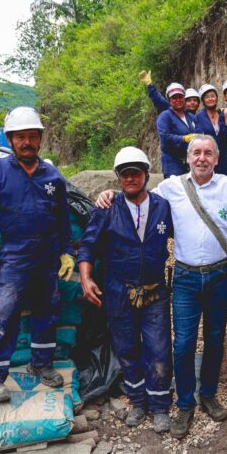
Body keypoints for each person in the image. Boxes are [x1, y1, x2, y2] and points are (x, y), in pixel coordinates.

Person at [94, 135, 227, 440]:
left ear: (216, 159)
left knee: (215, 338)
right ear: (188, 158)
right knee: (183, 343)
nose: (202, 158)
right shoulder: (171, 187)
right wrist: (110, 193)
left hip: (220, 275)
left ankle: (208, 394)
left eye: (208, 153)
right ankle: (185, 403)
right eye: (196, 153)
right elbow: (136, 194)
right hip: (185, 277)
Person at [0, 106, 75, 401]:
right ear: (10, 139)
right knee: (4, 314)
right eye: (20, 137)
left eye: (32, 136)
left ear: (40, 138)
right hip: (15, 256)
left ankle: (41, 364)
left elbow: (63, 221)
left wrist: (67, 252)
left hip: (47, 256)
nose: (27, 142)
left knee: (48, 311)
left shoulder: (52, 175)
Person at [77, 147, 174, 433]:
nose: (130, 179)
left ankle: (159, 406)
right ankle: (138, 402)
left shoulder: (162, 206)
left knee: (158, 348)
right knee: (127, 348)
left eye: (136, 173)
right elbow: (88, 245)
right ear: (118, 177)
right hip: (119, 291)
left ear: (146, 175)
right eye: (124, 174)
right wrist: (86, 278)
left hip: (154, 290)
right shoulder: (107, 208)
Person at [155, 83, 198, 178]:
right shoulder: (165, 116)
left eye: (180, 97)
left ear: (184, 98)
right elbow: (164, 136)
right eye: (174, 98)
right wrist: (183, 138)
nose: (178, 100)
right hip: (172, 163)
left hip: (189, 161)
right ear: (169, 100)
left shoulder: (190, 116)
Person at [195, 84, 227, 174]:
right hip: (208, 157)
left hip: (224, 156)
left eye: (212, 96)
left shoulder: (222, 114)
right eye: (207, 97)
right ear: (203, 100)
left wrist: (226, 115)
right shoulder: (199, 117)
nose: (210, 99)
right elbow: (199, 136)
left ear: (217, 98)